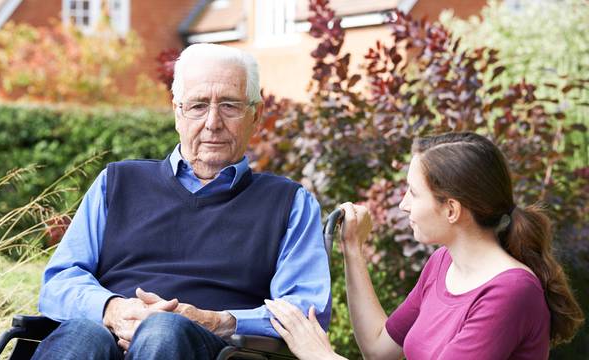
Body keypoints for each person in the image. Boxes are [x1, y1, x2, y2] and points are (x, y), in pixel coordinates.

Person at [32, 43, 331, 360]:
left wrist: (220, 321)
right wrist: (114, 309)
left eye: (229, 106)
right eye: (199, 105)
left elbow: (304, 312)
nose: (213, 122)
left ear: (255, 116)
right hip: (107, 339)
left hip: (216, 351)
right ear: (177, 112)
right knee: (82, 333)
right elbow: (58, 283)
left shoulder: (288, 203)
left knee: (163, 331)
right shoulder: (116, 183)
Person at [266, 132, 584, 359]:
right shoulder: (443, 264)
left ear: (451, 210)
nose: (403, 205)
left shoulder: (510, 292)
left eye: (413, 193)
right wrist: (352, 249)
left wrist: (319, 355)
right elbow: (378, 348)